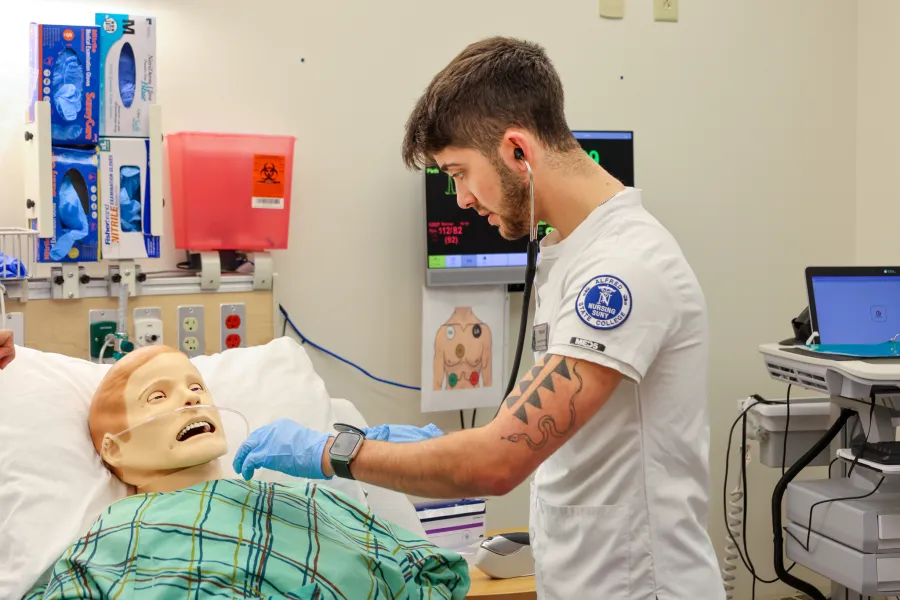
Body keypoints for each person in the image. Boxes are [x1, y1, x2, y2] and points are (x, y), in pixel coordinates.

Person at [234, 36, 724, 600]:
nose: (461, 199)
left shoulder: (624, 269)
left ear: (518, 150)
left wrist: (334, 452)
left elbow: (497, 462)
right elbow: (530, 425)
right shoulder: (572, 255)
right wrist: (420, 447)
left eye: (460, 172)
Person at [26, 345, 468, 599]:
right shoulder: (113, 535)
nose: (191, 400)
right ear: (114, 448)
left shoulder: (309, 501)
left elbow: (437, 572)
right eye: (157, 398)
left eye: (197, 387)